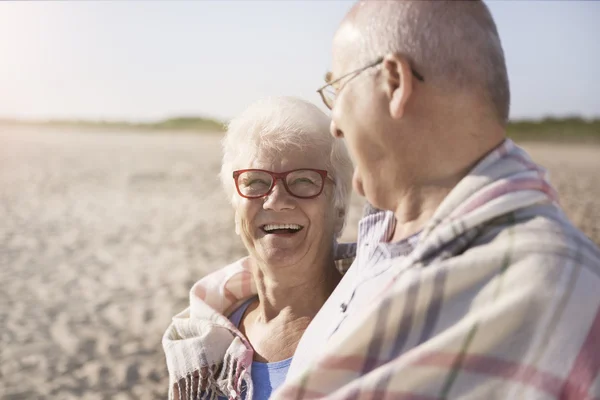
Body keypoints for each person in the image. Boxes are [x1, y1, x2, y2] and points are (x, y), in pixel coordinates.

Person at [273, 1, 600, 399]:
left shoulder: (562, 292)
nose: (335, 124)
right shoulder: (378, 244)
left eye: (338, 90)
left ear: (394, 82)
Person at [162, 96, 354, 400]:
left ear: (340, 207)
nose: (276, 200)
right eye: (255, 182)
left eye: (304, 180)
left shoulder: (368, 323)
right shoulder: (203, 341)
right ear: (236, 208)